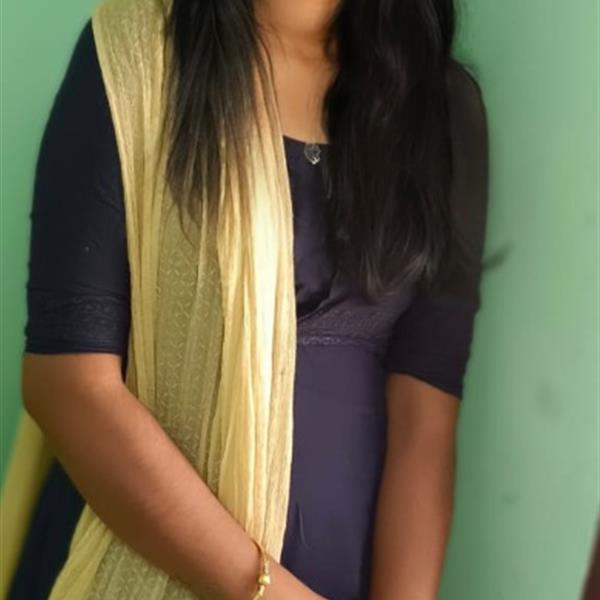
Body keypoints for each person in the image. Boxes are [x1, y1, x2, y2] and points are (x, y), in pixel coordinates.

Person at [5, 0, 490, 598]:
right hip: (137, 556)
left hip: (341, 575)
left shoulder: (437, 107)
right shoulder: (138, 57)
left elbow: (425, 415)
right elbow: (68, 385)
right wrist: (265, 590)